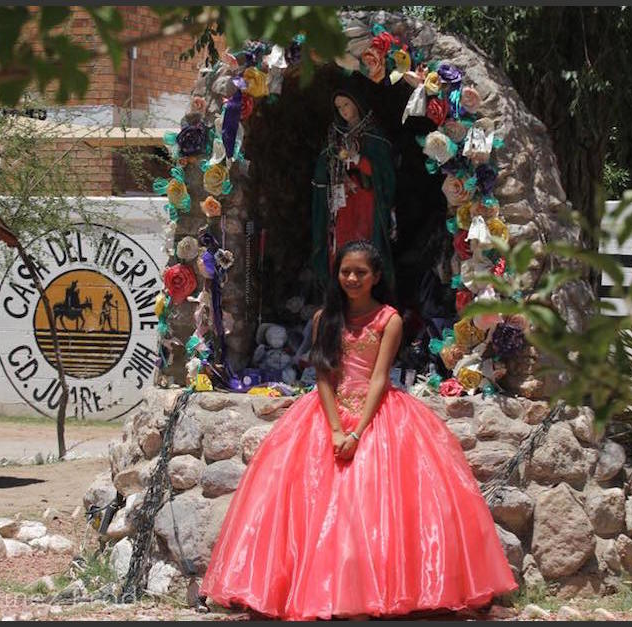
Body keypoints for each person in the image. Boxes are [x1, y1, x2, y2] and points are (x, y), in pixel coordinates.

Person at [200, 240, 517, 620]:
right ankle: (318, 592)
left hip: (378, 414)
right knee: (314, 509)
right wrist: (336, 429)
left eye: (360, 272)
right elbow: (323, 376)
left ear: (376, 276)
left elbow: (380, 377)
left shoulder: (389, 319)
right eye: (345, 271)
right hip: (326, 413)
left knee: (374, 511)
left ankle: (372, 594)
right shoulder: (324, 319)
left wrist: (357, 432)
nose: (352, 278)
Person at [311, 87, 396, 296]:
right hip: (341, 201)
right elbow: (323, 165)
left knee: (365, 244)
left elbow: (384, 171)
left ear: (357, 103)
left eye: (346, 104)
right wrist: (332, 160)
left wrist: (358, 160)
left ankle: (368, 294)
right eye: (339, 107)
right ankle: (341, 295)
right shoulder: (335, 136)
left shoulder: (374, 136)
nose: (343, 110)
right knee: (341, 243)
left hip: (365, 200)